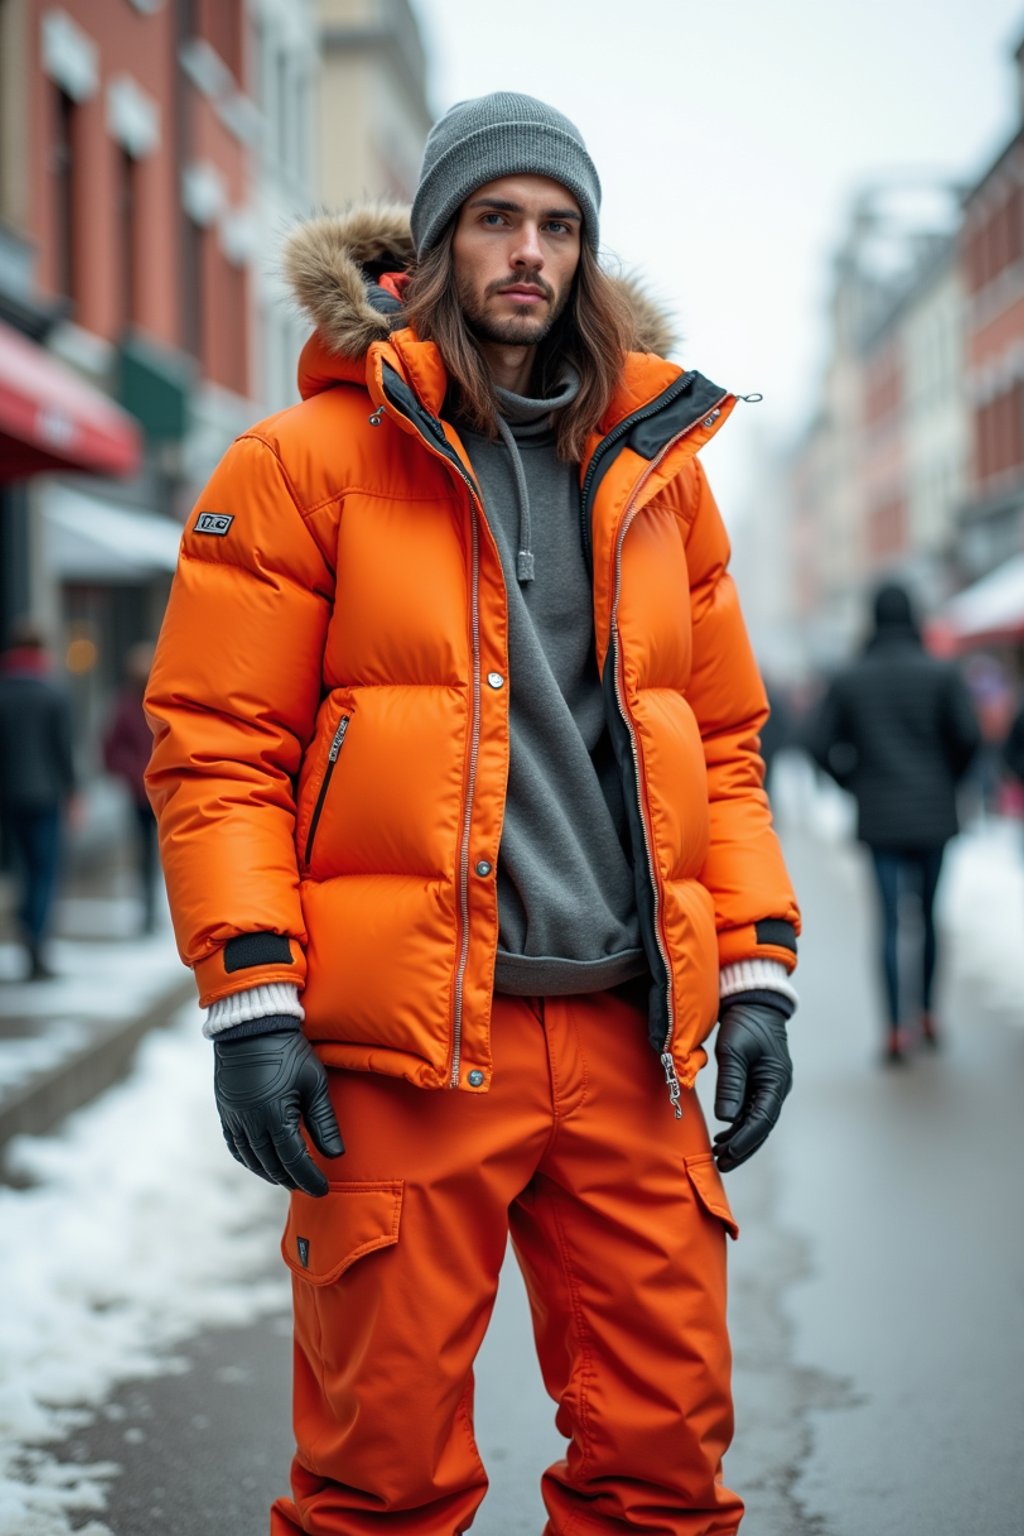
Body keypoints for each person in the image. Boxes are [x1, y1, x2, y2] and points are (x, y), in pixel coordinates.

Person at [145, 93, 801, 1536]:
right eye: (498, 218)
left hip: (633, 1046)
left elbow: (727, 746)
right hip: (408, 1048)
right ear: (436, 244)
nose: (530, 253)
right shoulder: (303, 463)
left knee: (666, 1470)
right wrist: (251, 999)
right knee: (378, 1482)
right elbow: (219, 751)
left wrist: (752, 972)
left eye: (559, 226)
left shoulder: (658, 476)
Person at [808, 580, 980, 1062]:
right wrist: (949, 782)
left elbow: (817, 743)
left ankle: (893, 1031)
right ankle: (926, 1014)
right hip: (933, 815)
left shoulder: (849, 678)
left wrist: (854, 783)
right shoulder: (942, 675)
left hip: (880, 817)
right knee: (926, 917)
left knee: (887, 923)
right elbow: (969, 738)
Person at [0, 618, 76, 980]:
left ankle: (27, 930)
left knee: (24, 871)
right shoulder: (53, 693)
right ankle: (36, 943)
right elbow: (64, 751)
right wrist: (74, 793)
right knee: (44, 873)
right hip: (46, 795)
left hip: (11, 797)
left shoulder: (4, 692)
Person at [102, 641, 159, 934]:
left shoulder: (164, 702)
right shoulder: (125, 707)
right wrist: (134, 773)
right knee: (145, 853)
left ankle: (158, 909)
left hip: (166, 791)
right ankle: (148, 909)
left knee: (170, 854)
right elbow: (110, 751)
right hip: (141, 793)